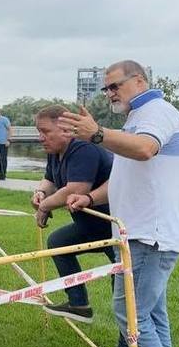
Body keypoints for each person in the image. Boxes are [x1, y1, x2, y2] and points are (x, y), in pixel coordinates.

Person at [60, 60, 179, 347]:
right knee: (152, 315)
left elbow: (146, 149)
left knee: (131, 314)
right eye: (107, 88)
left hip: (149, 237)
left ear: (140, 80)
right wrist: (89, 198)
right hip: (141, 234)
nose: (110, 93)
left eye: (115, 86)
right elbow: (125, 178)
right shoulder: (137, 119)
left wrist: (97, 134)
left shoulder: (155, 113)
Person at [31, 105, 116, 323]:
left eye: (45, 131)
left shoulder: (83, 148)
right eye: (39, 131)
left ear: (66, 129)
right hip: (92, 225)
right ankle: (79, 304)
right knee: (59, 242)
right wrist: (41, 193)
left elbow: (76, 189)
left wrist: (44, 206)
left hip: (116, 227)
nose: (41, 137)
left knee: (123, 292)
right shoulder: (55, 151)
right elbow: (50, 179)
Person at [0, 109, 13, 180]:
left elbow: (10, 129)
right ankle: (1, 173)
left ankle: (3, 174)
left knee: (3, 159)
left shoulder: (4, 119)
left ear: (0, 113)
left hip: (4, 142)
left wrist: (8, 140)